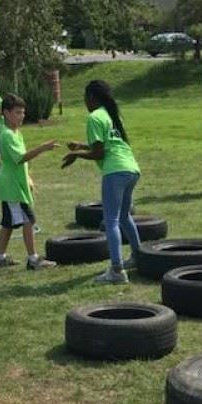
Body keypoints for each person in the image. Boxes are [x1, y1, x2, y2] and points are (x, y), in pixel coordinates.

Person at [62, 80, 144, 284]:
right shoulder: (112, 115)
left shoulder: (94, 117)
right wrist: (80, 145)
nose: (84, 102)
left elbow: (99, 153)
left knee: (111, 220)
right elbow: (109, 145)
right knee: (124, 216)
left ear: (91, 97)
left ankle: (116, 270)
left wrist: (77, 155)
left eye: (84, 98)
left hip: (115, 171)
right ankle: (138, 256)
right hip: (131, 169)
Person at [0, 93, 57, 271]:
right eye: (18, 112)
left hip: (15, 184)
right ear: (6, 113)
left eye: (23, 112)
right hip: (12, 187)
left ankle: (0, 257)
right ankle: (33, 259)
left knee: (9, 223)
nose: (22, 116)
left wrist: (28, 178)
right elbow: (20, 158)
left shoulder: (16, 133)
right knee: (29, 220)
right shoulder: (7, 135)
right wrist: (43, 148)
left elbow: (18, 162)